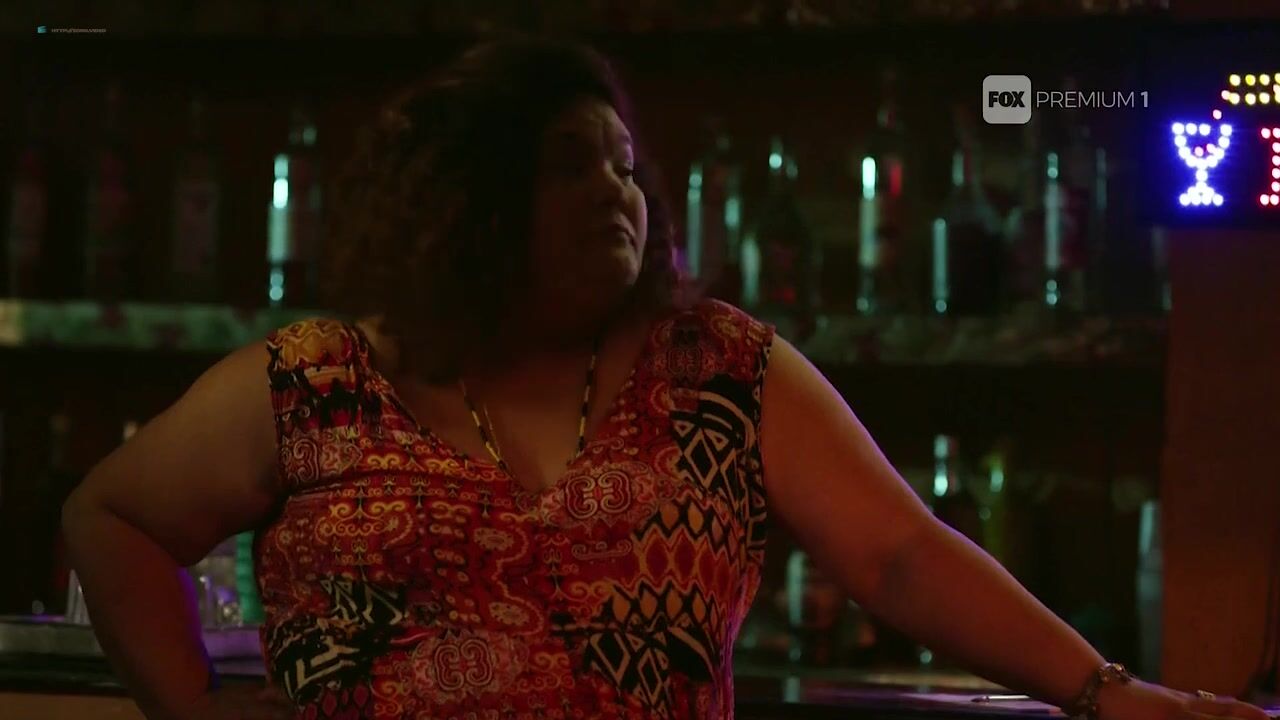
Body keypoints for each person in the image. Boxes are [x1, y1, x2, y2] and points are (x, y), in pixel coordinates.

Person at [61, 37, 1268, 720]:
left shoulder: (718, 371)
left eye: (625, 167)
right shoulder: (321, 381)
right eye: (566, 166)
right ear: (461, 201)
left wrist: (1103, 693)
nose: (616, 193)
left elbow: (900, 555)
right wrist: (190, 709)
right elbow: (110, 517)